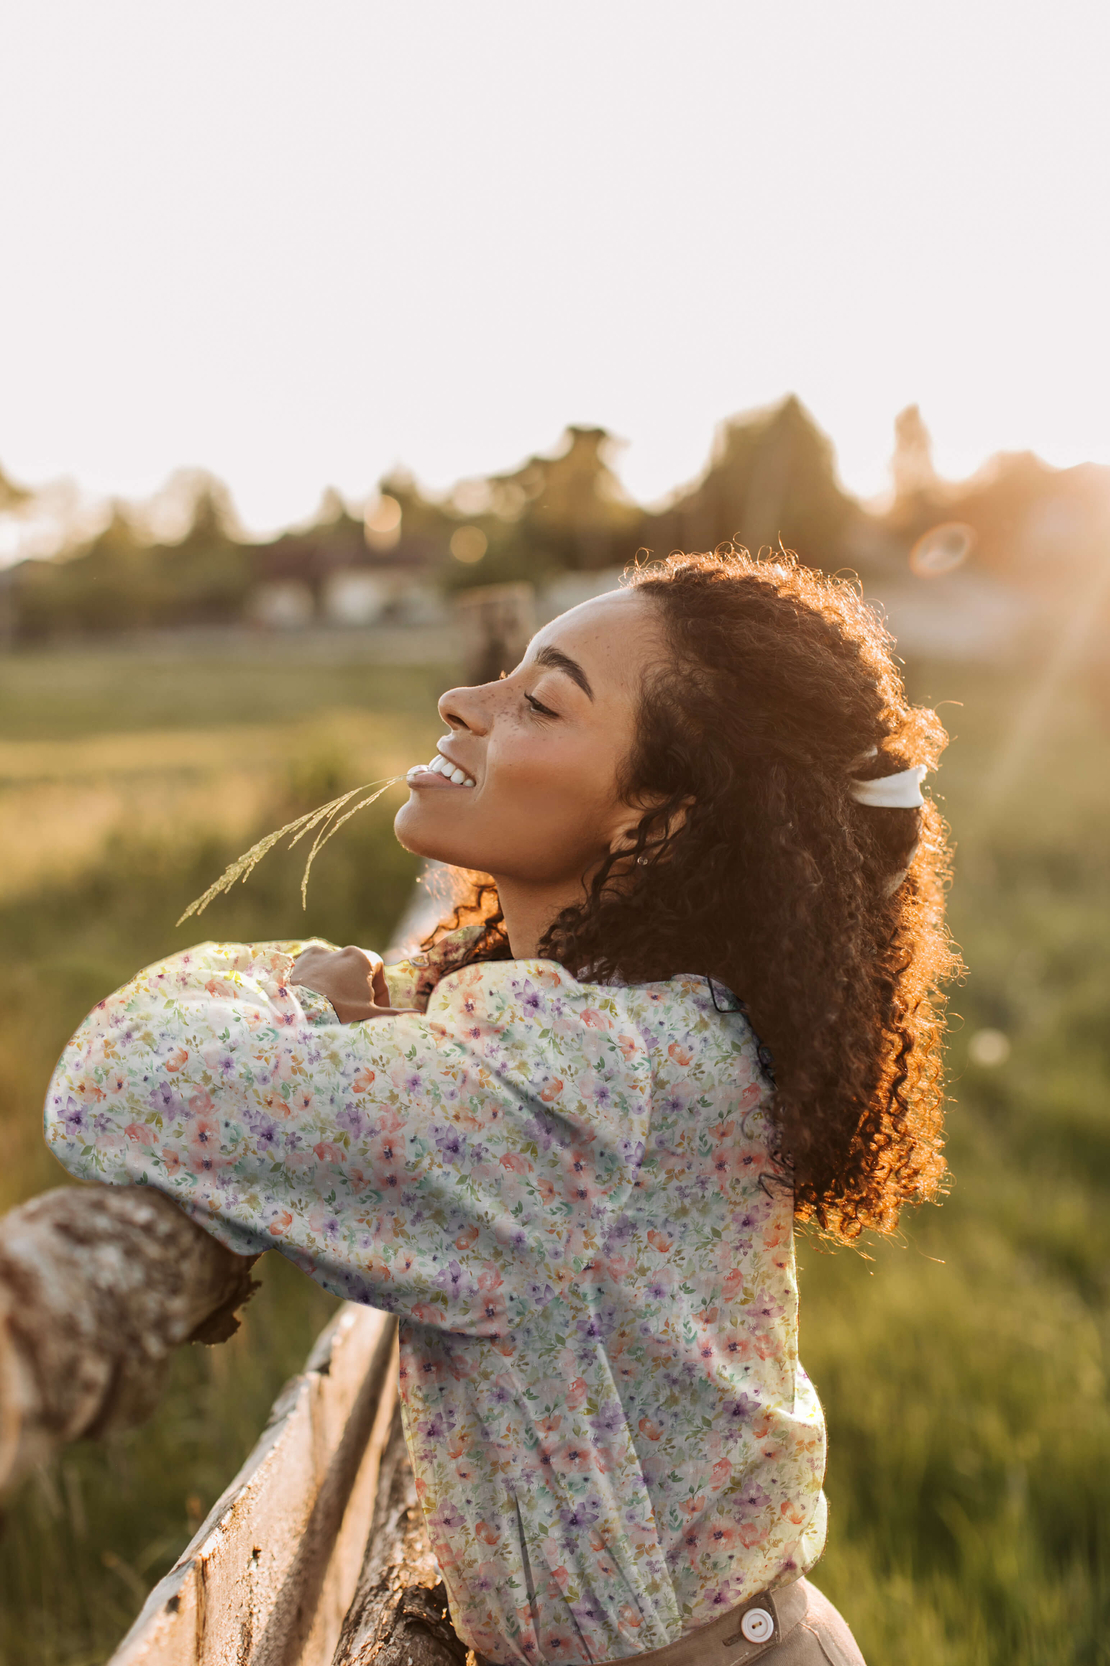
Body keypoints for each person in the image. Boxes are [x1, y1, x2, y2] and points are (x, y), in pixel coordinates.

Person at [45, 550, 957, 1665]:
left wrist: (303, 1009)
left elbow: (110, 1080)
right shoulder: (630, 1019)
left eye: (538, 701)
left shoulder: (581, 1083)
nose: (460, 704)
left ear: (659, 819)